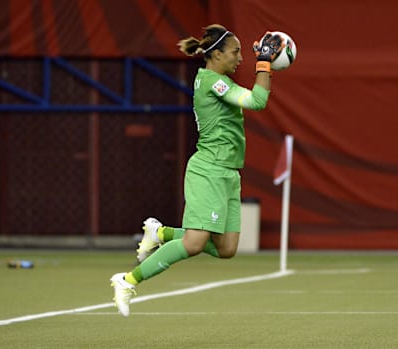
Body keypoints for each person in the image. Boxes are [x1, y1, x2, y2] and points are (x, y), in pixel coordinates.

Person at [110, 24, 284, 317]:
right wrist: (264, 64)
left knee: (227, 248)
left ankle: (161, 232)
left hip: (228, 174)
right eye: (235, 52)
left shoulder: (218, 80)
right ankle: (127, 280)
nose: (241, 58)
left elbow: (255, 97)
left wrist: (265, 67)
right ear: (216, 54)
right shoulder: (212, 82)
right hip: (208, 171)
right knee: (194, 243)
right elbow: (257, 100)